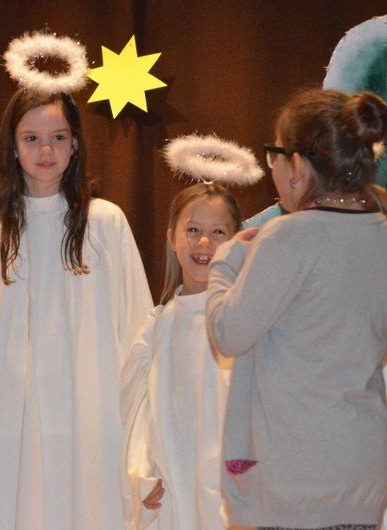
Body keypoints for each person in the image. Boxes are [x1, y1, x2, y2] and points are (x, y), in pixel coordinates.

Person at [0, 86, 152, 529]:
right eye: (31, 138)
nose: (45, 151)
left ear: (75, 144)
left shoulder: (105, 222)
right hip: (6, 419)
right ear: (12, 146)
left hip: (90, 415)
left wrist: (143, 432)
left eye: (58, 137)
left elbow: (138, 330)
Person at [207, 89, 387, 529]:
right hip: (361, 474)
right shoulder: (383, 235)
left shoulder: (288, 237)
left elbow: (227, 333)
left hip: (291, 479)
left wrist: (227, 262)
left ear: (298, 166)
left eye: (274, 155)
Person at [121, 182, 241, 530]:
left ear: (236, 240)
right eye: (193, 230)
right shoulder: (156, 328)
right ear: (172, 237)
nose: (204, 243)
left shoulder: (245, 320)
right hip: (175, 482)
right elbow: (136, 411)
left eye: (218, 232)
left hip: (232, 481)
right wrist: (142, 472)